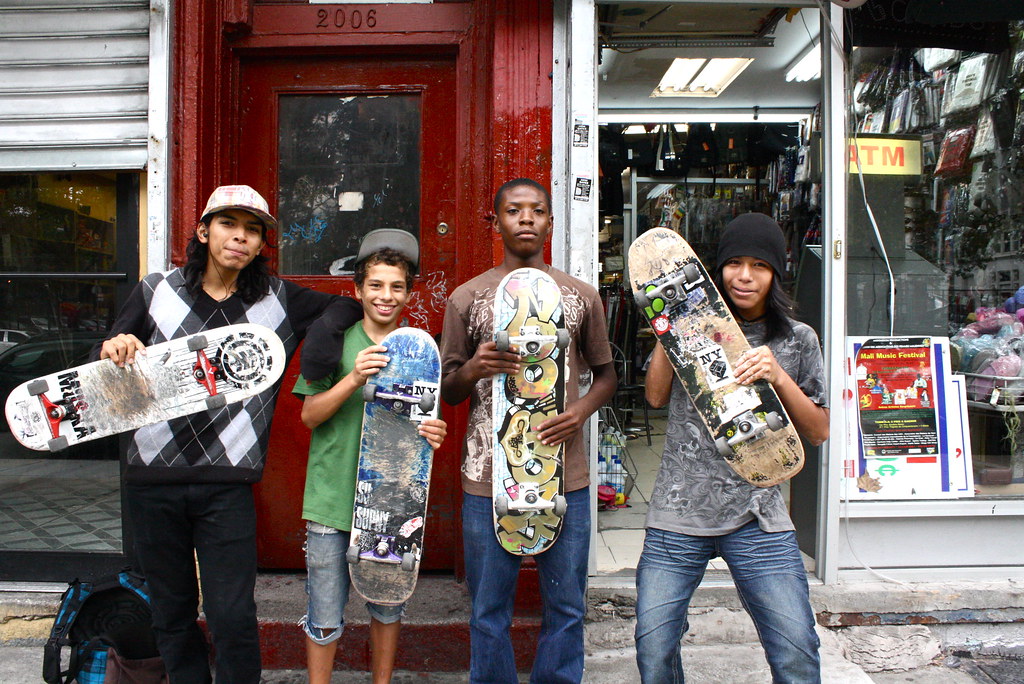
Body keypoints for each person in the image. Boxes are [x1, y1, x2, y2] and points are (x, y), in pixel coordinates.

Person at [97, 185, 362, 684]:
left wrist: (319, 343)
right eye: (228, 225)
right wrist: (116, 344)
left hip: (227, 483)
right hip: (151, 479)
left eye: (252, 230)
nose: (239, 238)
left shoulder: (278, 300)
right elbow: (104, 370)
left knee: (232, 615)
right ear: (203, 231)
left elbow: (344, 309)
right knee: (171, 614)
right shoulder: (156, 290)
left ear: (261, 243)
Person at [634, 212, 830, 684]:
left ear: (776, 273)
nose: (745, 276)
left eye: (758, 266)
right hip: (679, 513)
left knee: (796, 651)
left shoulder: (798, 340)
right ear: (717, 269)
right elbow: (655, 397)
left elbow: (819, 431)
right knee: (653, 649)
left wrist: (778, 377)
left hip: (758, 516)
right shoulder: (690, 325)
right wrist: (672, 325)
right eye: (734, 263)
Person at [439, 178, 617, 683]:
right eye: (513, 211)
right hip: (487, 478)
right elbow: (448, 390)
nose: (525, 219)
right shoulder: (467, 298)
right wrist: (474, 368)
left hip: (567, 477)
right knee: (488, 610)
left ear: (550, 223)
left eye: (537, 210)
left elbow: (607, 375)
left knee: (566, 607)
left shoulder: (580, 296)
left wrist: (580, 411)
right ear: (494, 222)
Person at [292, 229, 447, 684]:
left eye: (396, 286)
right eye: (376, 285)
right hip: (330, 500)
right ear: (358, 290)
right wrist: (352, 380)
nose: (386, 295)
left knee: (387, 602)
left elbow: (418, 431)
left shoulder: (418, 352)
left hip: (391, 503)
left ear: (408, 293)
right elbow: (309, 416)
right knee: (323, 613)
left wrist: (431, 432)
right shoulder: (334, 342)